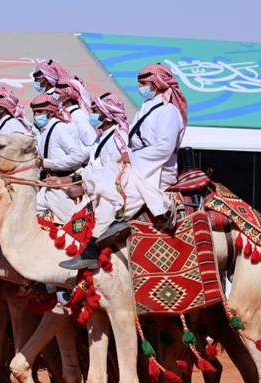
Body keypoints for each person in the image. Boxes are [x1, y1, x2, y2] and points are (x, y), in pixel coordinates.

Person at [60, 63, 188, 270]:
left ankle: (95, 246)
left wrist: (133, 158)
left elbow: (165, 148)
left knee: (117, 192)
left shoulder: (168, 112)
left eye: (144, 84)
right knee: (107, 174)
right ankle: (86, 197)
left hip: (157, 169)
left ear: (156, 84)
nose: (141, 88)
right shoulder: (148, 108)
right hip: (140, 163)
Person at [31, 92, 87, 225]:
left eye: (40, 112)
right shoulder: (44, 131)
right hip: (49, 182)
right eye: (35, 112)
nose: (36, 116)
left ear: (50, 112)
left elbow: (78, 156)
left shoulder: (60, 128)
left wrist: (46, 163)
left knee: (73, 220)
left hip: (65, 181)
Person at [55, 75, 98, 157]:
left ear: (67, 96)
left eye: (57, 93)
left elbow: (93, 146)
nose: (54, 95)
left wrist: (73, 156)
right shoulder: (62, 113)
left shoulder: (79, 117)